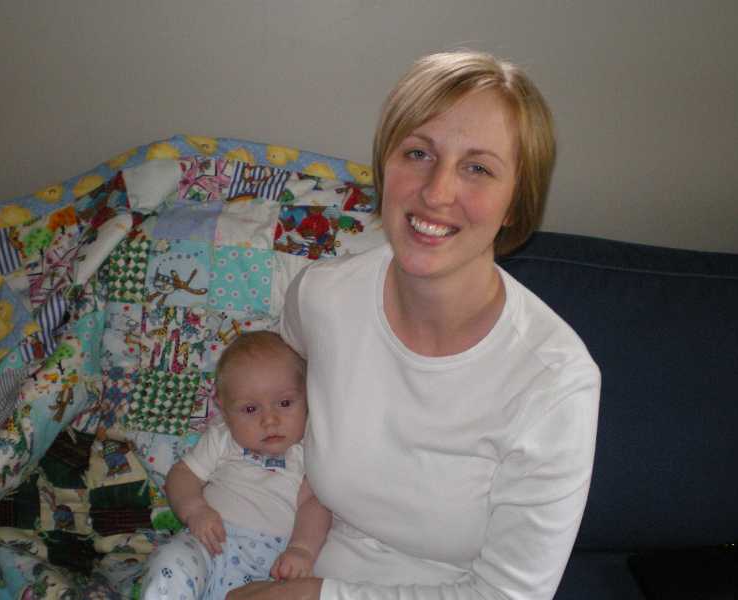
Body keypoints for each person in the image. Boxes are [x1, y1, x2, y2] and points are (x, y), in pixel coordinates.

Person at [226, 49, 601, 600]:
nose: (437, 191)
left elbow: (507, 597)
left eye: (478, 168)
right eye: (418, 153)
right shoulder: (323, 298)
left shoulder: (555, 382)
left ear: (515, 205)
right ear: (385, 168)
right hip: (314, 558)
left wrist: (316, 596)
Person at [142, 330, 332, 600]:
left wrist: (302, 549)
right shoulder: (222, 438)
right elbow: (182, 475)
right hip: (210, 544)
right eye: (251, 409)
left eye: (285, 403)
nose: (270, 420)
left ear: (307, 399)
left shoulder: (309, 450)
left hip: (272, 567)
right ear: (225, 409)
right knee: (171, 561)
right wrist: (195, 510)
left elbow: (314, 504)